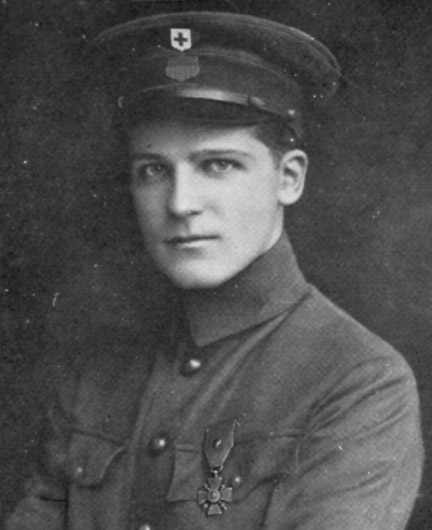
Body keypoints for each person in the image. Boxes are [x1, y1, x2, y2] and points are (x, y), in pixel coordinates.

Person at [7, 9, 423, 530]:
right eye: (153, 170)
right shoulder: (94, 374)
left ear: (289, 178)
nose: (180, 203)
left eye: (217, 165)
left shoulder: (357, 383)